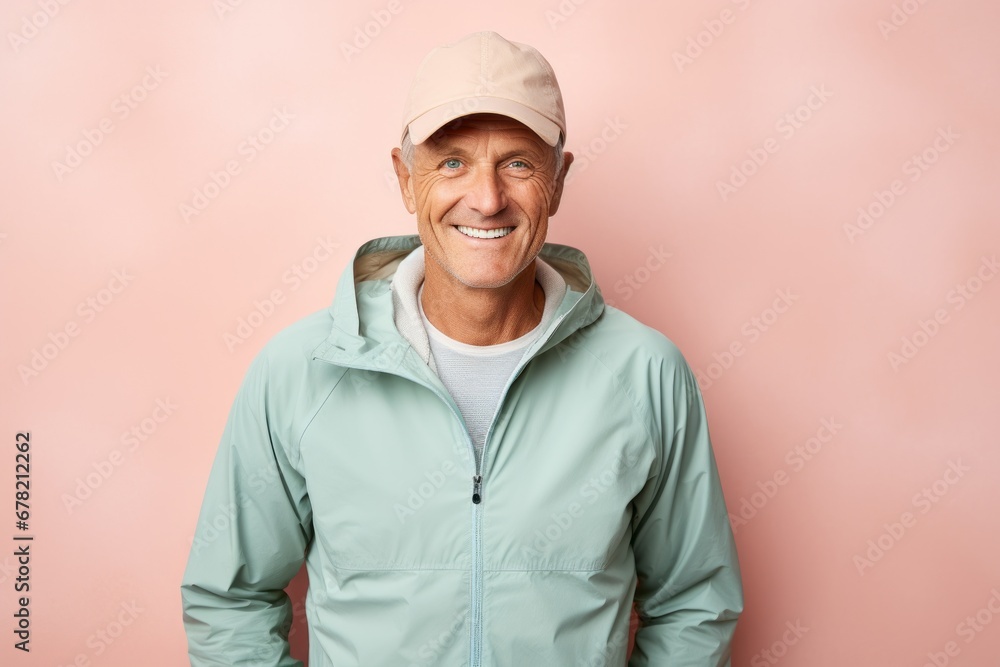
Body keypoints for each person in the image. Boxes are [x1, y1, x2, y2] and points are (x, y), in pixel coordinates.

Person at [181, 30, 743, 666]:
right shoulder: (300, 373)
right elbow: (230, 597)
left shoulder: (646, 375)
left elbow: (696, 602)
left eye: (518, 163)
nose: (487, 198)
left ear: (558, 180)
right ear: (405, 176)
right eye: (452, 162)